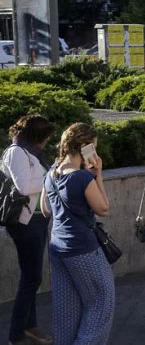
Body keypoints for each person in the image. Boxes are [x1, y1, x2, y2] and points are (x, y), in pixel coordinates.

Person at [40, 123, 114, 345]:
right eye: (94, 148)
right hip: (82, 248)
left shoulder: (51, 173)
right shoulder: (82, 178)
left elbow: (45, 209)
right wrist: (97, 175)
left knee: (66, 308)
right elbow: (104, 208)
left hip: (57, 247)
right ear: (84, 147)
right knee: (102, 301)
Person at [2, 115, 55, 345]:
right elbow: (24, 186)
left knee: (31, 276)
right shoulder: (17, 152)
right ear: (37, 136)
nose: (46, 143)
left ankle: (30, 326)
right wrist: (53, 179)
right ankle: (15, 334)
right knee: (32, 278)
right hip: (24, 223)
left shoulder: (32, 152)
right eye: (45, 138)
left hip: (38, 220)